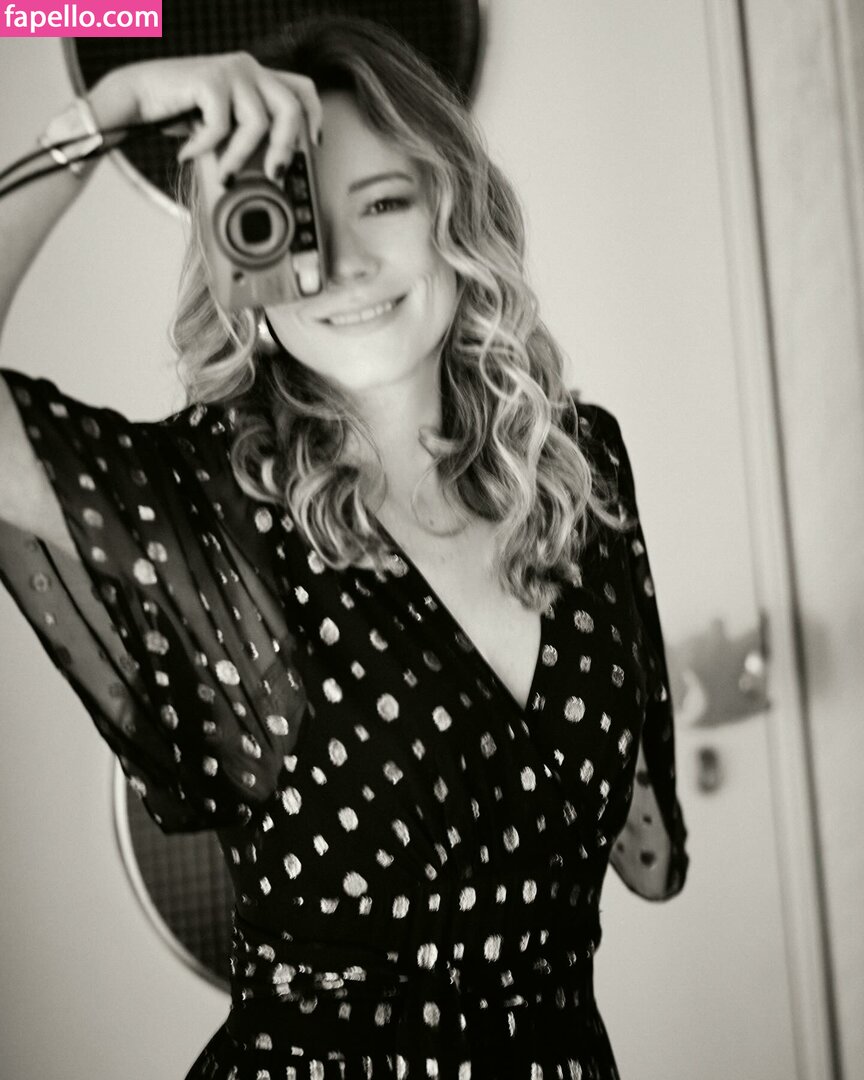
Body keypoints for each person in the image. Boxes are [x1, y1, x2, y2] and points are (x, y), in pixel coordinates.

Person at [0, 16, 688, 1080]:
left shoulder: (575, 463)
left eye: (384, 202)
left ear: (454, 210)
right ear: (241, 250)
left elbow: (635, 839)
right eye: (303, 221)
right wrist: (108, 112)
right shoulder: (208, 518)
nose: (349, 263)